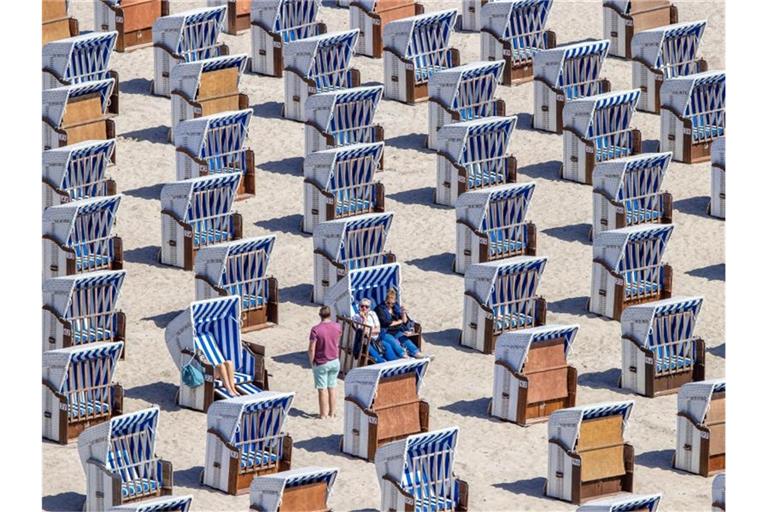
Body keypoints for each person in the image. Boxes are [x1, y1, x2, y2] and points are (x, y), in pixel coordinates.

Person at [375, 288, 429, 359]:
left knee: (405, 340)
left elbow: (405, 321)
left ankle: (416, 353)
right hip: (385, 331)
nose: (390, 305)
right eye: (388, 303)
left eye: (392, 303)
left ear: (395, 301)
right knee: (393, 342)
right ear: (385, 300)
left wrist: (403, 313)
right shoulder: (380, 309)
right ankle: (403, 355)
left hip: (396, 330)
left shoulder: (395, 307)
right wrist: (399, 321)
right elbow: (386, 323)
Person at [308, 306, 341, 419]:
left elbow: (312, 348)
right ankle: (332, 413)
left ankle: (323, 414)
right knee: (332, 387)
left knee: (322, 389)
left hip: (322, 361)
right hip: (335, 360)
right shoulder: (337, 327)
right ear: (329, 314)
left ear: (320, 315)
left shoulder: (315, 329)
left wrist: (312, 362)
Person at [353, 298, 403, 363]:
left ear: (369, 308)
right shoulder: (356, 317)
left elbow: (378, 330)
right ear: (359, 307)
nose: (364, 308)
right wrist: (364, 319)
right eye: (362, 306)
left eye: (366, 306)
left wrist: (369, 331)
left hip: (376, 339)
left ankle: (394, 363)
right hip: (365, 341)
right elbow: (364, 333)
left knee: (387, 346)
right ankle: (382, 363)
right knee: (375, 355)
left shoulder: (372, 314)